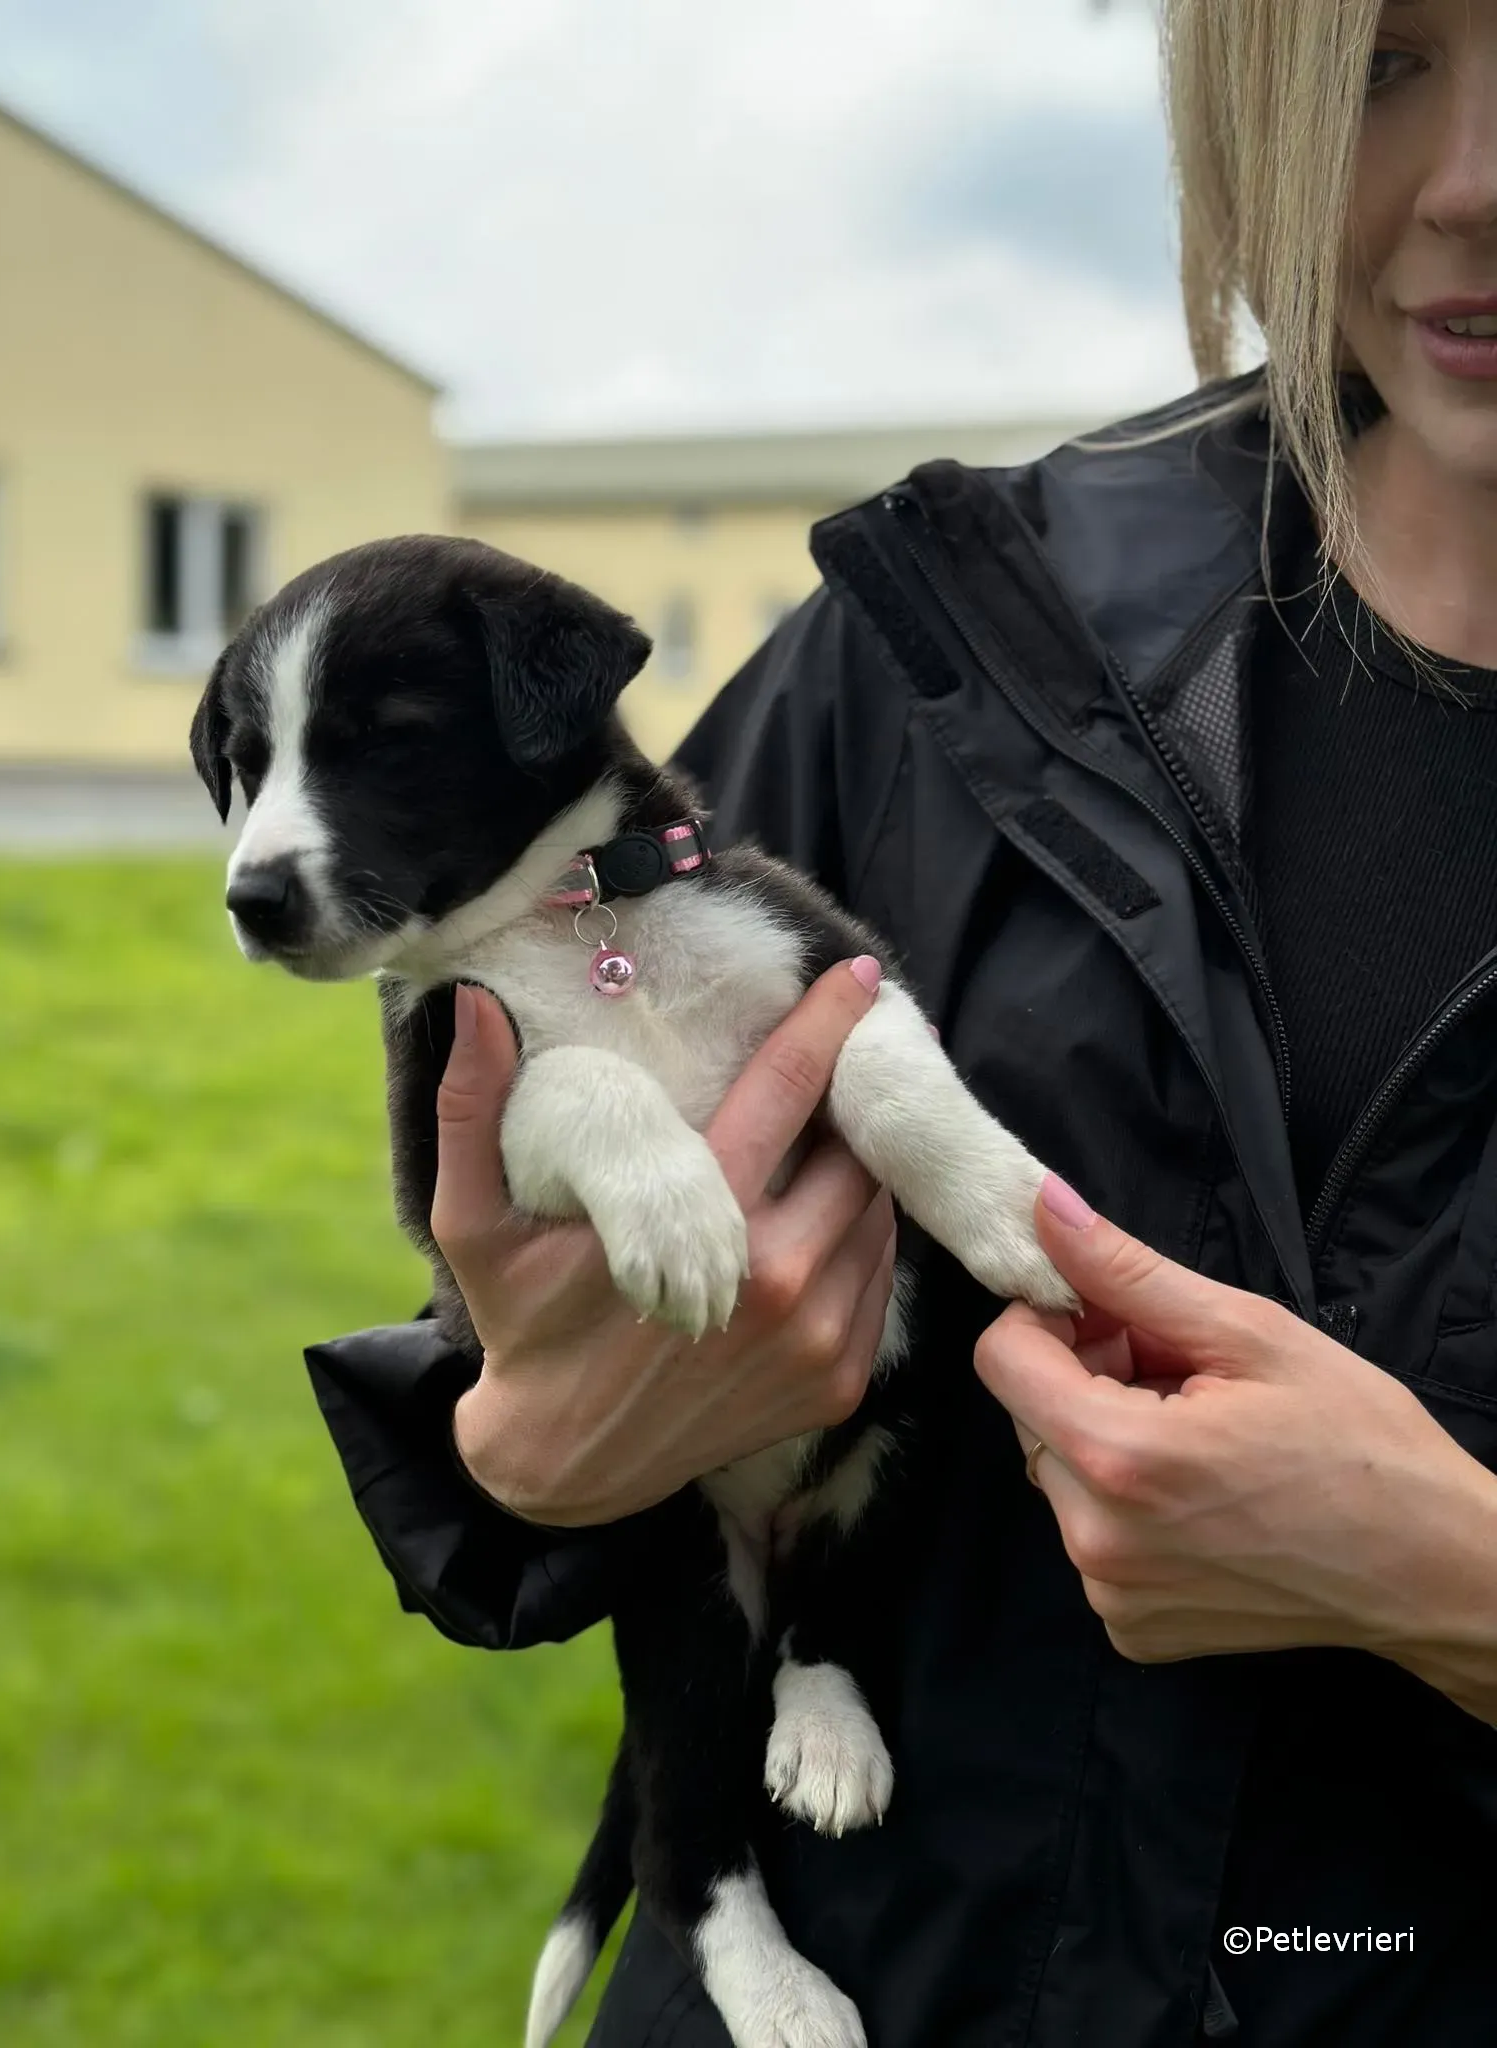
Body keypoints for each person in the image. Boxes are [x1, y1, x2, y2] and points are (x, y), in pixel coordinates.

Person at [304, 1, 1497, 2040]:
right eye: (1379, 62)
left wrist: (1454, 1588)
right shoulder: (948, 640)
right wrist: (529, 1436)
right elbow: (506, 1267)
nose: (1474, 181)